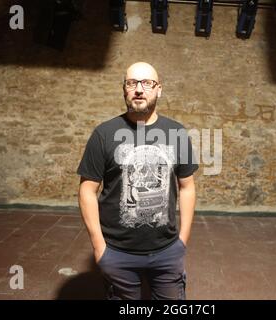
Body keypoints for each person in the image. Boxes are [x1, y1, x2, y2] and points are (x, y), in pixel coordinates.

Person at [77, 62, 198, 300]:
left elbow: (187, 187)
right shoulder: (104, 134)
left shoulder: (177, 133)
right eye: (132, 83)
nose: (139, 89)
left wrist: (182, 240)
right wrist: (99, 247)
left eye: (147, 83)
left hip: (167, 250)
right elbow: (87, 191)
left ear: (159, 89)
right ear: (124, 89)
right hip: (117, 251)